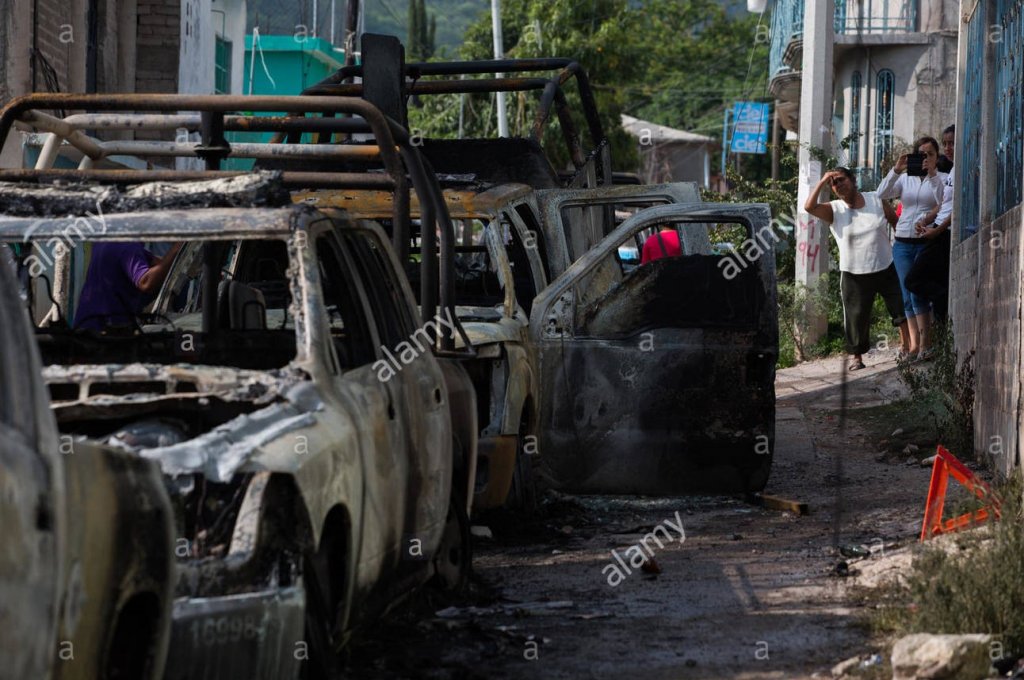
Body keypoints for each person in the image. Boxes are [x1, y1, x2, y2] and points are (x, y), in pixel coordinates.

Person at [804, 167, 908, 371]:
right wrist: (823, 180)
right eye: (833, 183)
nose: (838, 184)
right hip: (853, 272)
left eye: (841, 179)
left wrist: (901, 249)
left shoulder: (875, 199)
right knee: (855, 316)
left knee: (900, 308)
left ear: (852, 180)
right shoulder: (834, 209)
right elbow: (809, 207)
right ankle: (856, 358)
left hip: (886, 265)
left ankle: (908, 347)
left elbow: (896, 222)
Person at [877, 136, 947, 360]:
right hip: (903, 242)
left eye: (930, 154)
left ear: (936, 157)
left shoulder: (942, 178)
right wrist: (896, 170)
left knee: (918, 291)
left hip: (926, 241)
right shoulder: (905, 179)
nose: (925, 158)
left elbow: (943, 200)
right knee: (906, 295)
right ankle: (914, 345)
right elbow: (882, 194)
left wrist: (933, 174)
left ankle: (927, 344)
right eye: (921, 154)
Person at [906, 125, 955, 327]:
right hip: (937, 227)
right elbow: (944, 203)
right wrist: (926, 220)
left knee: (914, 280)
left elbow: (959, 208)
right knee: (933, 281)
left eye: (951, 143)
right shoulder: (952, 170)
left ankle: (945, 301)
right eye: (945, 143)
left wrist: (938, 229)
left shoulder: (960, 169)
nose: (948, 148)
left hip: (945, 233)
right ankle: (943, 327)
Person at [74, 241, 183, 331]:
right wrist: (176, 249)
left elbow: (153, 263)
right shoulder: (127, 245)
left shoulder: (109, 241)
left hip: (89, 325)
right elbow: (145, 282)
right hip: (104, 331)